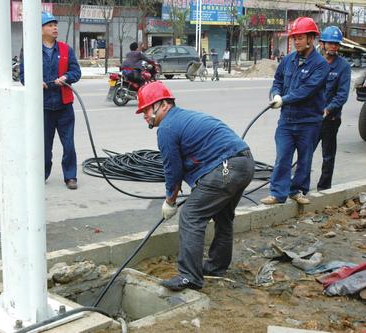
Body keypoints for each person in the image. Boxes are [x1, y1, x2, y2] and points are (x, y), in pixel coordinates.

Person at [135, 81, 254, 291]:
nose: (144, 115)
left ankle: (190, 276)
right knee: (223, 216)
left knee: (191, 215)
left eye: (146, 109)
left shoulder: (167, 128)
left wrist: (170, 202)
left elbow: (172, 170)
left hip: (227, 168)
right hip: (243, 164)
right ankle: (216, 266)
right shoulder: (184, 117)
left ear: (163, 105)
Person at [261, 17, 330, 205]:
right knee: (282, 157)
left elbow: (307, 90)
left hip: (309, 122)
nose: (296, 41)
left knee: (304, 160)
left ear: (311, 39)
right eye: (294, 38)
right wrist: (275, 94)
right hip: (287, 121)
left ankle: (297, 190)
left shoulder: (320, 65)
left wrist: (284, 99)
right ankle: (277, 193)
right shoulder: (288, 60)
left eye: (300, 37)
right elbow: (278, 81)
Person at [19, 12, 81, 190]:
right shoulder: (30, 50)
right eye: (49, 25)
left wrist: (66, 77)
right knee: (44, 146)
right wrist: (34, 83)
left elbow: (76, 72)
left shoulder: (65, 49)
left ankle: (70, 176)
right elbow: (23, 75)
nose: (55, 28)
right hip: (43, 106)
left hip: (64, 106)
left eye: (55, 24)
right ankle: (42, 174)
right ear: (40, 30)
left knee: (68, 145)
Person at [315, 26, 351, 191]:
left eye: (336, 44)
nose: (333, 47)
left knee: (328, 157)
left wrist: (328, 110)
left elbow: (342, 95)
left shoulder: (343, 67)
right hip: (312, 118)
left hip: (330, 120)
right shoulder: (314, 62)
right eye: (330, 43)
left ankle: (324, 189)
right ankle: (300, 188)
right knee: (305, 155)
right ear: (322, 43)